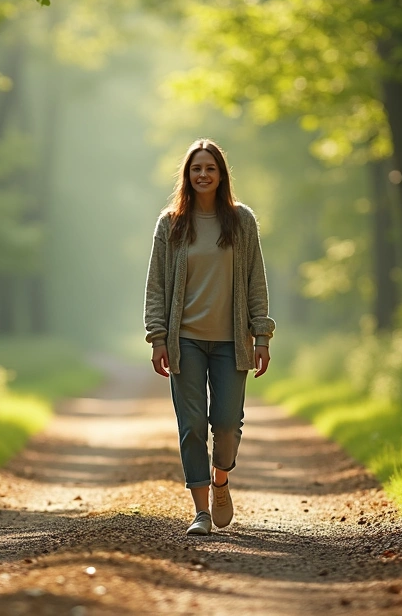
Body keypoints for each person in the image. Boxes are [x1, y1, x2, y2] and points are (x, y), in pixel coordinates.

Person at [143, 138, 275, 536]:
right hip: (185, 342)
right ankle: (201, 511)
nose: (203, 175)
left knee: (227, 424)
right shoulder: (171, 224)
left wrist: (262, 335)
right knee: (192, 425)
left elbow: (256, 281)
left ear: (221, 175)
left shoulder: (241, 221)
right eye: (196, 169)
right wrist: (158, 337)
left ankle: (221, 481)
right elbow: (156, 286)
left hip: (232, 342)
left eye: (210, 169)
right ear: (187, 175)